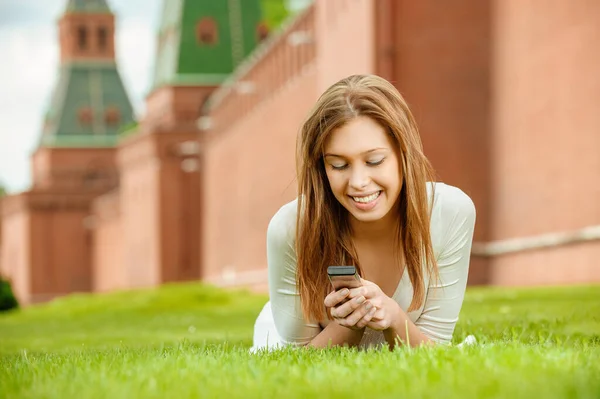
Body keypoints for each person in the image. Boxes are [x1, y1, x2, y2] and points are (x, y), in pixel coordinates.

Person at [251, 74, 476, 351]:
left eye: (374, 161)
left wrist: (393, 317)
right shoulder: (289, 228)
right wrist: (349, 325)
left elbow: (437, 350)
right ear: (321, 169)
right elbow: (296, 357)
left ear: (403, 155)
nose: (358, 182)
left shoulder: (450, 213)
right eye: (338, 165)